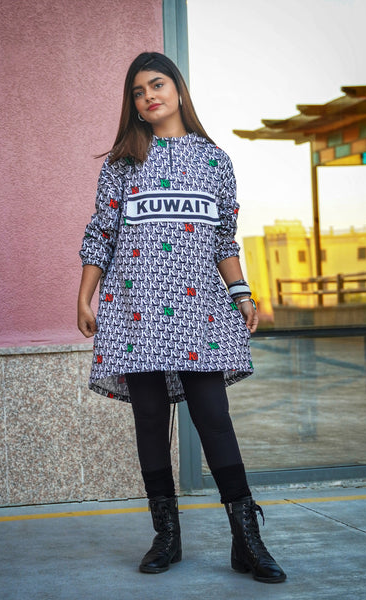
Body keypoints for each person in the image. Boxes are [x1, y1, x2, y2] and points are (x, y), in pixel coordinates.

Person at [77, 51, 286, 584]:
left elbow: (223, 239)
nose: (148, 96)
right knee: (150, 418)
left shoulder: (215, 160)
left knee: (213, 415)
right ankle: (166, 535)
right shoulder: (123, 162)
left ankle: (247, 539)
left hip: (199, 308)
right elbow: (101, 232)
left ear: (177, 90)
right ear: (133, 105)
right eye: (138, 91)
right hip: (135, 307)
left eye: (157, 85)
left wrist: (241, 293)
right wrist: (84, 295)